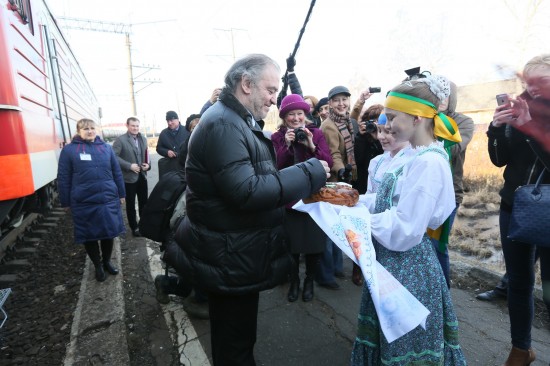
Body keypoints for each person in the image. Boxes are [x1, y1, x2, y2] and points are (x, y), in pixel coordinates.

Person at [174, 54, 329, 365]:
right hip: (230, 253)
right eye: (271, 90)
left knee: (238, 338)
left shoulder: (234, 120)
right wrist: (310, 171)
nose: (275, 99)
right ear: (246, 84)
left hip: (235, 250)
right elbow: (247, 191)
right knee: (235, 344)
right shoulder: (223, 124)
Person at [351, 76, 466, 364]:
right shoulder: (416, 156)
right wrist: (352, 204)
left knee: (406, 348)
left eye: (393, 117)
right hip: (393, 261)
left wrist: (359, 217)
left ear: (416, 118)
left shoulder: (428, 161)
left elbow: (406, 229)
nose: (387, 124)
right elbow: (388, 202)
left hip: (408, 267)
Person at [487, 54, 550, 365]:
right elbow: (499, 160)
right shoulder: (517, 107)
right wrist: (497, 129)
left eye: (542, 81)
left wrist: (530, 127)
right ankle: (520, 349)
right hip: (513, 206)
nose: (534, 88)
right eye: (530, 80)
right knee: (519, 281)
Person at [271, 94, 333, 302]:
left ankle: (309, 281)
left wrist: (311, 145)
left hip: (313, 197)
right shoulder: (277, 137)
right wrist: (287, 147)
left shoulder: (315, 133)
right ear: (284, 117)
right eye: (291, 114)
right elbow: (275, 166)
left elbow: (328, 163)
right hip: (290, 198)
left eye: (300, 113)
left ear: (305, 114)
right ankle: (294, 280)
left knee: (314, 244)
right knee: (292, 246)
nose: (296, 118)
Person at [57, 118, 126, 282]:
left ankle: (107, 261)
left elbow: (116, 172)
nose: (89, 131)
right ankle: (97, 265)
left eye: (92, 128)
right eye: (85, 128)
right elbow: (63, 178)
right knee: (89, 235)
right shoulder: (69, 151)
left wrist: (121, 194)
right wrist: (65, 201)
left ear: (97, 130)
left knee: (108, 233)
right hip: (84, 201)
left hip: (107, 199)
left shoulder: (106, 148)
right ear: (78, 131)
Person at [429, 77, 475, 288]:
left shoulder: (463, 122)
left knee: (438, 245)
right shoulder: (423, 118)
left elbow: (454, 148)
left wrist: (433, 122)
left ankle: (443, 294)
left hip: (449, 193)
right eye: (437, 93)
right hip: (423, 189)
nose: (442, 98)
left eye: (446, 94)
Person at [317, 85, 358, 290]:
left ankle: (336, 266)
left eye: (345, 99)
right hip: (332, 182)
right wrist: (342, 171)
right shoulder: (329, 125)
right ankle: (325, 275)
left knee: (338, 227)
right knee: (328, 229)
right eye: (337, 100)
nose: (341, 104)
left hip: (344, 181)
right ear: (330, 104)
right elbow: (334, 154)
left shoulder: (348, 122)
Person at [113, 117, 151, 237]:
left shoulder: (143, 139)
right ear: (127, 126)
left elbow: (147, 155)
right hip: (128, 178)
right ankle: (134, 227)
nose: (135, 128)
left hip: (142, 176)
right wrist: (129, 166)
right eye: (133, 125)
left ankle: (143, 225)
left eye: (137, 126)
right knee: (130, 205)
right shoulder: (120, 140)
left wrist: (148, 166)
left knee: (144, 203)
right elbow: (113, 157)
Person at [156, 110, 189, 178]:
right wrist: (167, 152)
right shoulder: (163, 133)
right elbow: (159, 148)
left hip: (185, 167)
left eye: (171, 120)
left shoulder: (187, 131)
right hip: (170, 168)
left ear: (177, 119)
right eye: (167, 121)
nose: (169, 123)